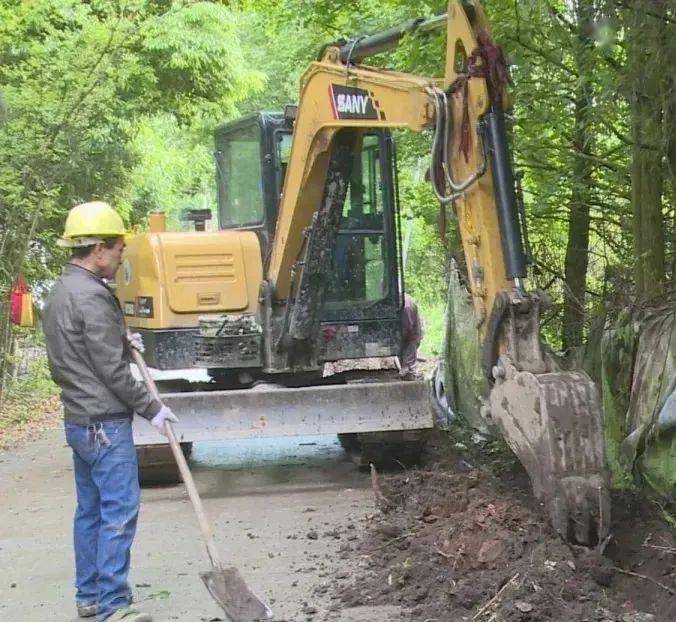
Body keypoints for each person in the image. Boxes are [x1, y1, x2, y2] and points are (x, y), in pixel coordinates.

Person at [43, 201, 178, 622]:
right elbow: (112, 372)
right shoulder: (93, 296)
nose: (122, 256)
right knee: (118, 512)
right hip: (105, 423)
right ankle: (113, 606)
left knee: (90, 512)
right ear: (99, 249)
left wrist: (121, 339)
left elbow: (76, 354)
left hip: (78, 421)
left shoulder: (61, 291)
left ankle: (89, 598)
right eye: (119, 248)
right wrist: (152, 407)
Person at [399, 293, 423, 380]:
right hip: (408, 334)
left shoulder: (406, 306)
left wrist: (399, 338)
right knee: (404, 362)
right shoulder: (402, 300)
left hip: (411, 337)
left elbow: (408, 327)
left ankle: (410, 379)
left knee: (408, 366)